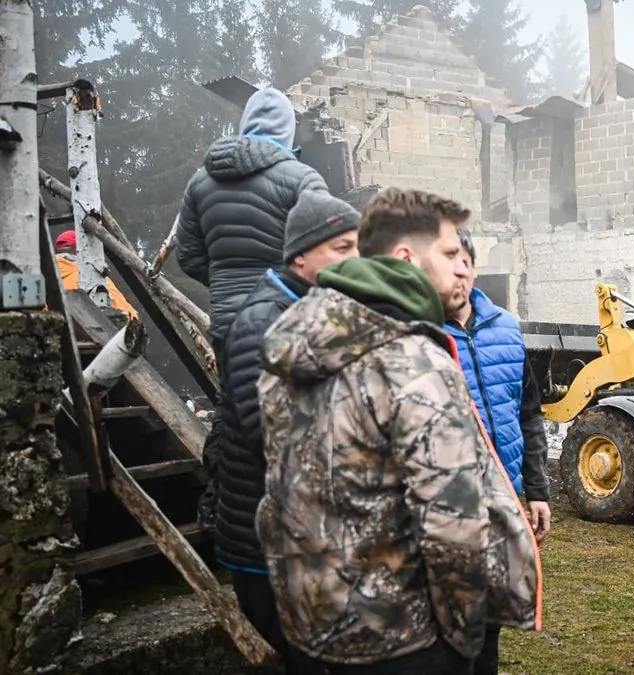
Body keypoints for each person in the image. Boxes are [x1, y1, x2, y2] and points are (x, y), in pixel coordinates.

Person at [255, 187, 543, 674]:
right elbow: (453, 523)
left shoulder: (293, 340)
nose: (462, 267)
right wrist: (462, 640)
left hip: (313, 628)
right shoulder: (413, 360)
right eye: (450, 253)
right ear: (407, 257)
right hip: (402, 640)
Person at [213, 191, 360, 672]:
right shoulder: (264, 322)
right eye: (341, 248)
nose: (355, 259)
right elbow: (272, 434)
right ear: (301, 253)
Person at [175, 86, 328, 529]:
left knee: (233, 414)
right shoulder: (300, 179)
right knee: (297, 414)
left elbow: (190, 256)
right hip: (288, 320)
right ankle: (294, 519)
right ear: (287, 129)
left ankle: (218, 511)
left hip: (228, 322)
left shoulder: (201, 182)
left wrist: (225, 284)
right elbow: (321, 256)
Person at [443, 229, 551, 675]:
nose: (458, 270)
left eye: (464, 259)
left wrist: (538, 489)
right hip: (450, 504)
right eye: (446, 258)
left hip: (504, 498)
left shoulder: (505, 327)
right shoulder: (418, 335)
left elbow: (528, 413)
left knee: (491, 621)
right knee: (450, 623)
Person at [53, 230, 139, 320]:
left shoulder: (45, 277)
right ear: (81, 250)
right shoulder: (90, 275)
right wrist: (134, 317)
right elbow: (121, 307)